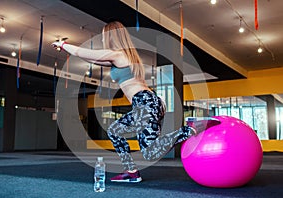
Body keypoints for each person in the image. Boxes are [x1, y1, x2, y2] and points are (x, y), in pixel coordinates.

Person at [52, 21, 220, 183]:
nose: (102, 39)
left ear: (111, 36)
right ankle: (132, 172)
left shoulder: (118, 54)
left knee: (125, 138)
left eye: (104, 35)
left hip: (145, 103)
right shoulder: (122, 57)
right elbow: (93, 59)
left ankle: (192, 128)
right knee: (131, 141)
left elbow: (83, 53)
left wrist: (64, 45)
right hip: (149, 103)